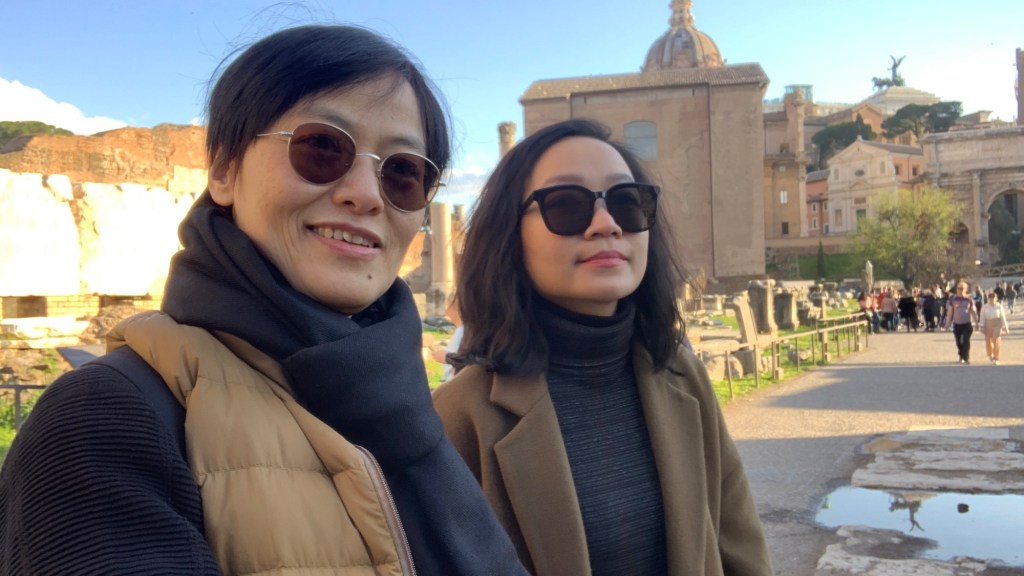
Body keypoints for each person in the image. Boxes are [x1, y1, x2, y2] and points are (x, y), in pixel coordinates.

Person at [0, 25, 527, 575]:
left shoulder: (404, 407)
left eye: (402, 173)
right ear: (224, 170)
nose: (366, 194)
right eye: (322, 147)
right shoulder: (103, 421)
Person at [432, 119, 773, 575]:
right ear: (509, 233)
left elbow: (740, 549)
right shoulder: (459, 416)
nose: (606, 224)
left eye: (627, 203)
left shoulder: (682, 375)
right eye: (566, 205)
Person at [944, 281, 980, 364]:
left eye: (962, 288)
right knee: (959, 341)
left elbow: (973, 312)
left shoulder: (969, 300)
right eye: (958, 288)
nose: (960, 290)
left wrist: (977, 323)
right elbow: (950, 313)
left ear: (965, 289)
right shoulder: (953, 300)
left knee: (966, 340)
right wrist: (947, 324)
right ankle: (961, 355)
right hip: (957, 324)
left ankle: (966, 357)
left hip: (967, 324)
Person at [979, 292, 1010, 364]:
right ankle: (990, 354)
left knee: (996, 341)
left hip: (997, 324)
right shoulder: (985, 307)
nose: (992, 299)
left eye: (994, 297)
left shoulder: (999, 306)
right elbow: (982, 317)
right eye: (990, 298)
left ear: (996, 298)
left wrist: (1005, 327)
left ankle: (996, 358)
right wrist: (982, 326)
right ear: (988, 298)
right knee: (988, 341)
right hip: (988, 324)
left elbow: (1003, 317)